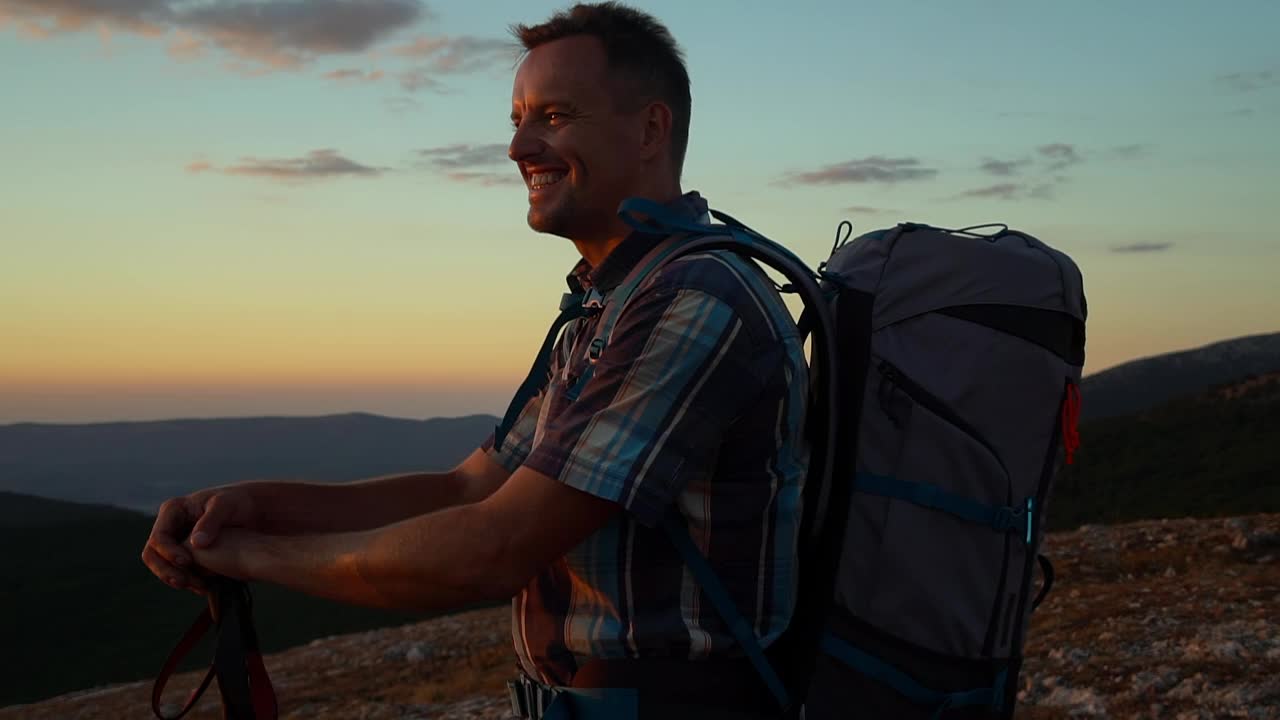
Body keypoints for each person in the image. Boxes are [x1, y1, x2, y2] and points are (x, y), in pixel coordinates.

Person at [141, 3, 809, 718]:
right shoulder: (608, 305)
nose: (521, 145)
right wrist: (260, 509)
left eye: (553, 115)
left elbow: (492, 548)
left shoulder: (692, 299)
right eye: (517, 119)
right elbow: (467, 489)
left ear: (651, 128)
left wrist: (246, 558)